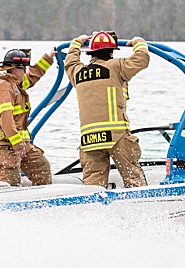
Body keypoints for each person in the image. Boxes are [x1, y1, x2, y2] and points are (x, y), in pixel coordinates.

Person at [64, 31, 150, 188]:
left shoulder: (78, 73)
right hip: (117, 137)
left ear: (91, 53)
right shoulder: (117, 66)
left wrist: (77, 42)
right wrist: (139, 42)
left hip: (90, 140)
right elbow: (142, 59)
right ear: (111, 52)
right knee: (134, 179)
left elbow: (69, 62)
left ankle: (93, 210)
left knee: (93, 185)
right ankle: (143, 209)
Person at [0, 47, 56, 186]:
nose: (25, 72)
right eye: (23, 69)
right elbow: (6, 119)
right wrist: (17, 144)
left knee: (42, 169)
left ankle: (39, 202)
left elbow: (33, 76)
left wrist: (49, 57)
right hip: (6, 143)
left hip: (21, 143)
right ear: (16, 70)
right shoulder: (4, 88)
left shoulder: (17, 84)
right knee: (10, 181)